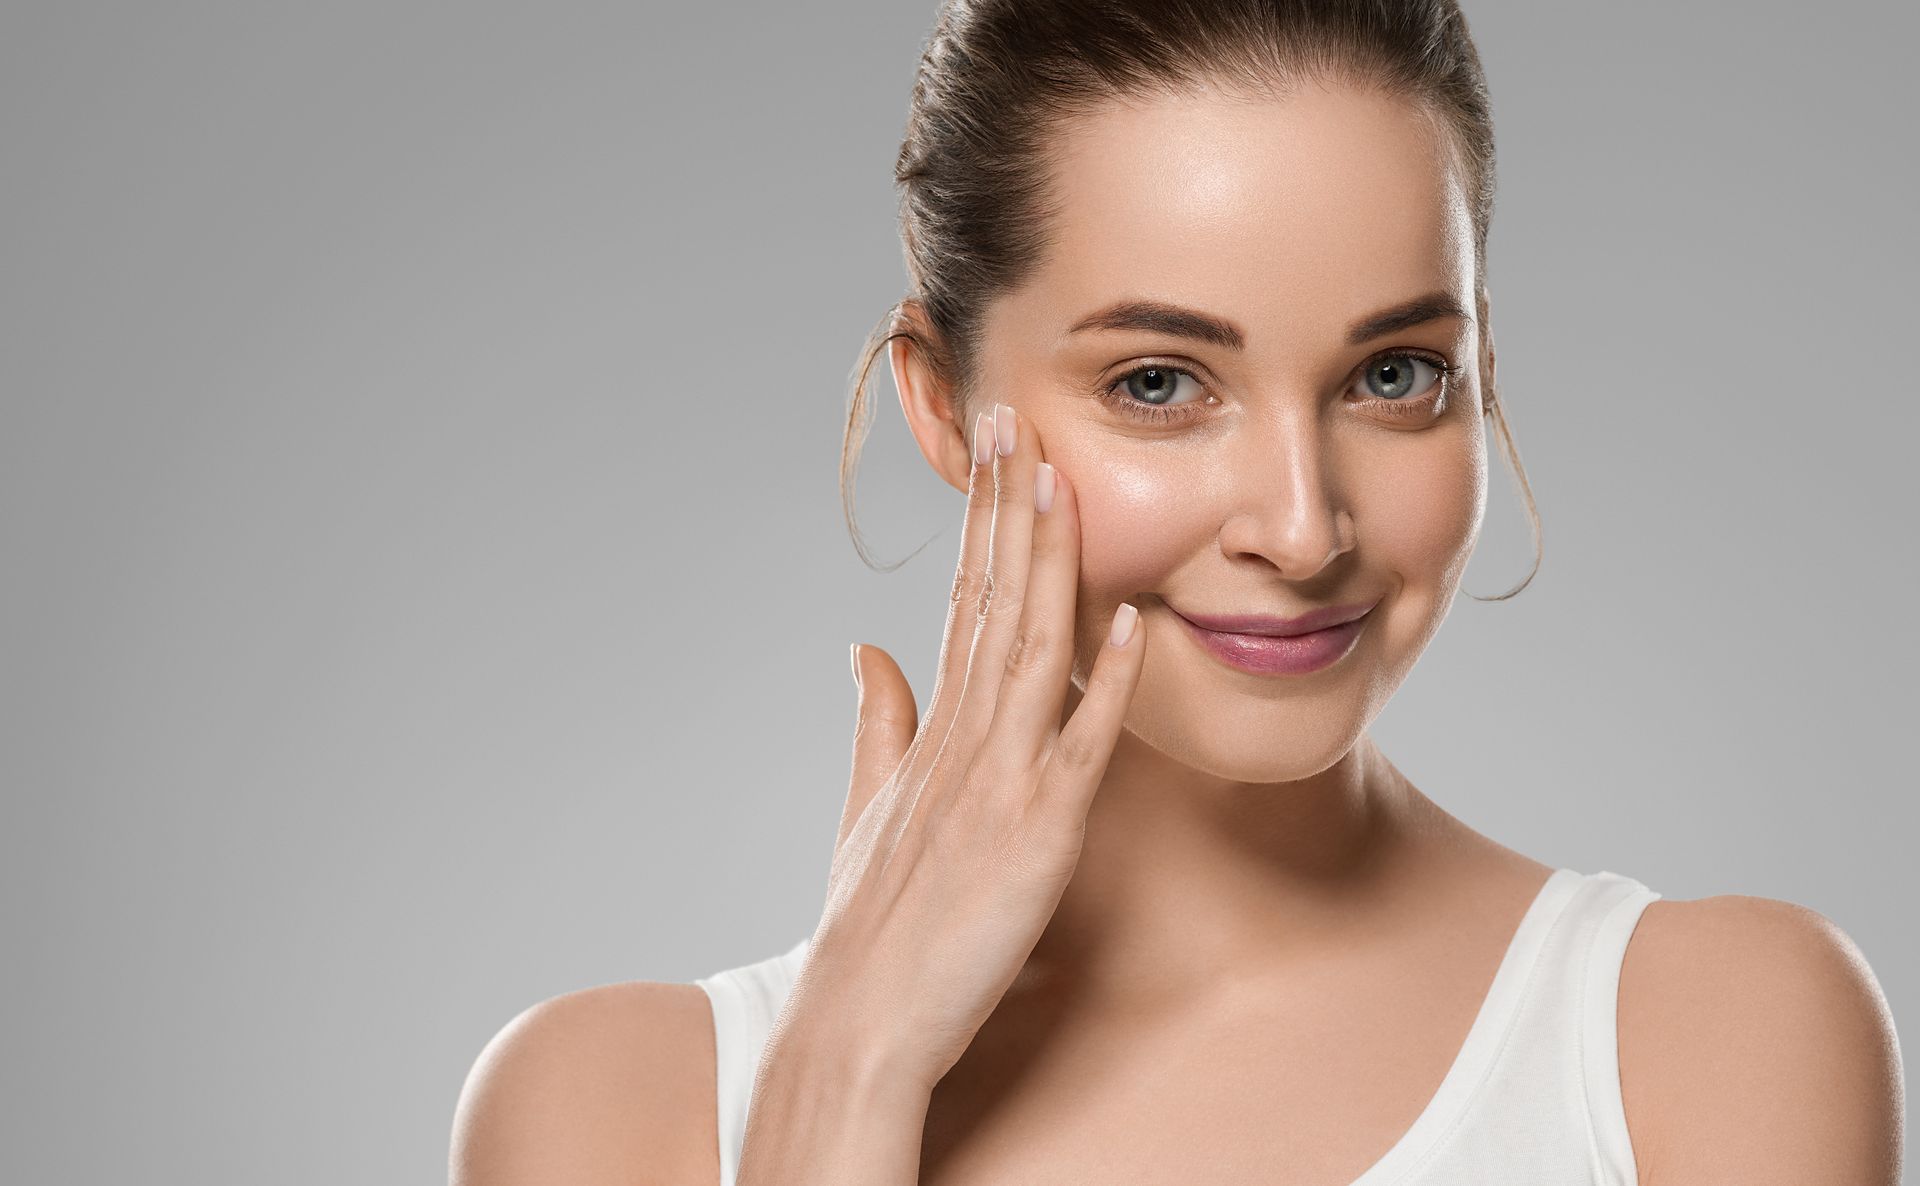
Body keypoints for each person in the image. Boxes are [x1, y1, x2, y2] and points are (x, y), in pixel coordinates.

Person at [449, 2, 1903, 1183]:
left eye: (1395, 374)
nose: (1301, 526)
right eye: (1159, 384)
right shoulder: (612, 1112)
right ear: (942, 406)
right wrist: (844, 1072)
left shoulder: (1708, 1039)